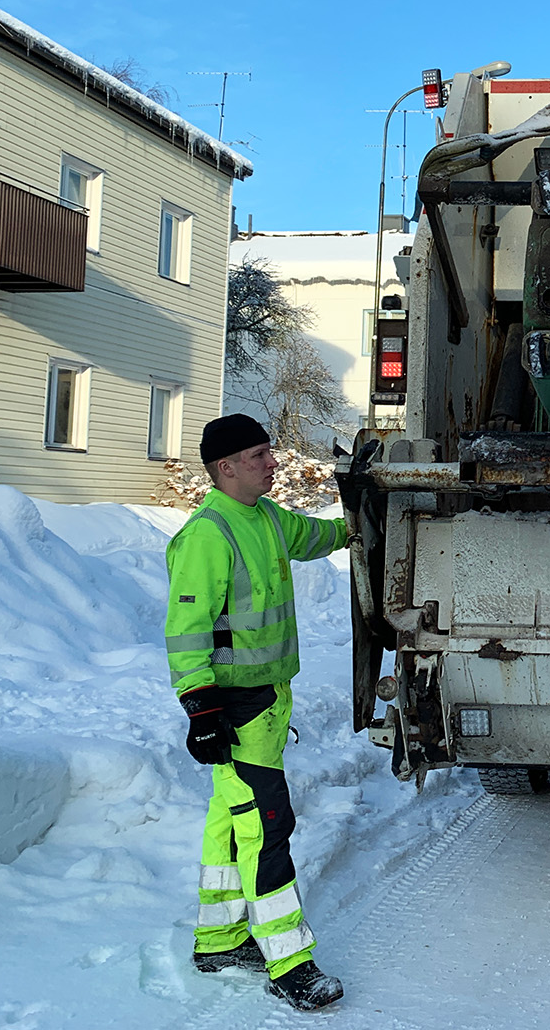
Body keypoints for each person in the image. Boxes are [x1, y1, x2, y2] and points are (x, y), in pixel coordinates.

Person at [165, 414, 350, 1012]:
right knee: (267, 828)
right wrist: (199, 707)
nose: (273, 463)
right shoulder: (208, 535)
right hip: (234, 707)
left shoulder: (267, 518)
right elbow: (185, 630)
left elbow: (317, 538)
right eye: (260, 455)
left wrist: (366, 515)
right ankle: (289, 961)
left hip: (267, 698)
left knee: (230, 818)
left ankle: (219, 941)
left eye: (270, 453)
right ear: (226, 468)